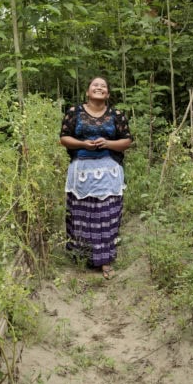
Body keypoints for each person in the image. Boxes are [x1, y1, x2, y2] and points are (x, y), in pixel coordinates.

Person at [59, 77, 132, 279]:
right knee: (81, 212)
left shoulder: (116, 115)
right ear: (87, 92)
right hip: (81, 172)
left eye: (103, 86)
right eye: (95, 85)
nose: (99, 87)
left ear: (107, 94)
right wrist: (83, 145)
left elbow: (127, 141)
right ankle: (81, 257)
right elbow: (64, 138)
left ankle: (105, 260)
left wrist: (107, 143)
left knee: (106, 213)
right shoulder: (74, 112)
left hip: (109, 173)